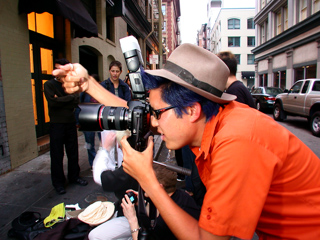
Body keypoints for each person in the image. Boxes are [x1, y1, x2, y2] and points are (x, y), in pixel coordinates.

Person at [53, 44, 320, 239]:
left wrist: (147, 179)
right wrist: (88, 83)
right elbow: (138, 114)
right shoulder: (211, 120)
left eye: (157, 114)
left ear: (191, 110)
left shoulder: (237, 141)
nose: (152, 122)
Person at [88, 163, 200, 240]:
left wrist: (132, 219)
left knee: (95, 236)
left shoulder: (163, 223)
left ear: (159, 187)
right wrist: (143, 201)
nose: (141, 184)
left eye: (145, 181)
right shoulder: (179, 195)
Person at [44, 58, 88, 195]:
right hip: (56, 124)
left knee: (73, 152)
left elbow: (76, 101)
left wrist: (60, 99)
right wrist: (67, 99)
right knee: (57, 155)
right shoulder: (49, 85)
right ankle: (58, 183)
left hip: (70, 123)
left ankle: (74, 177)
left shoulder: (71, 84)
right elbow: (52, 103)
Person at [79, 73, 101, 167]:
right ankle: (93, 163)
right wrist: (78, 121)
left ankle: (102, 162)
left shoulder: (102, 92)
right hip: (87, 121)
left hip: (100, 121)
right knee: (89, 144)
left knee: (103, 143)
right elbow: (79, 106)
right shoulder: (84, 93)